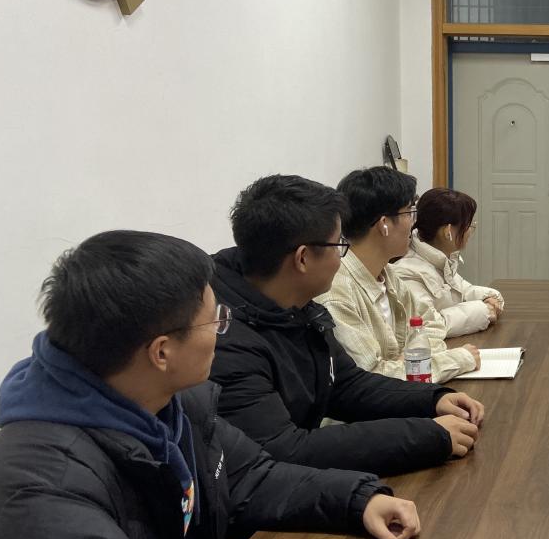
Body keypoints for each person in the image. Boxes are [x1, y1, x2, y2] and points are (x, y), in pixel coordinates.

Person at [0, 231, 423, 539]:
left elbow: (252, 478)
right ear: (161, 352)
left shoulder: (170, 402)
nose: (223, 331)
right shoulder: (42, 475)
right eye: (216, 320)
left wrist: (357, 499)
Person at [209, 175, 484, 475]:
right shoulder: (228, 341)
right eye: (339, 245)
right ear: (303, 259)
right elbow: (285, 449)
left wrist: (433, 400)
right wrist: (428, 436)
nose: (343, 259)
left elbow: (347, 384)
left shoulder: (297, 306)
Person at [320, 168, 480, 383]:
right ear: (384, 224)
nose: (414, 224)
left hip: (407, 395)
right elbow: (372, 378)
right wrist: (458, 359)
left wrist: (407, 361)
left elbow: (432, 324)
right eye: (409, 213)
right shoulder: (337, 294)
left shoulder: (387, 274)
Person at [392, 189, 506, 368]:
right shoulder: (408, 272)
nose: (470, 232)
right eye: (469, 226)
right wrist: (484, 310)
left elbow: (462, 290)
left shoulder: (440, 258)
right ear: (448, 231)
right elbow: (428, 325)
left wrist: (490, 297)